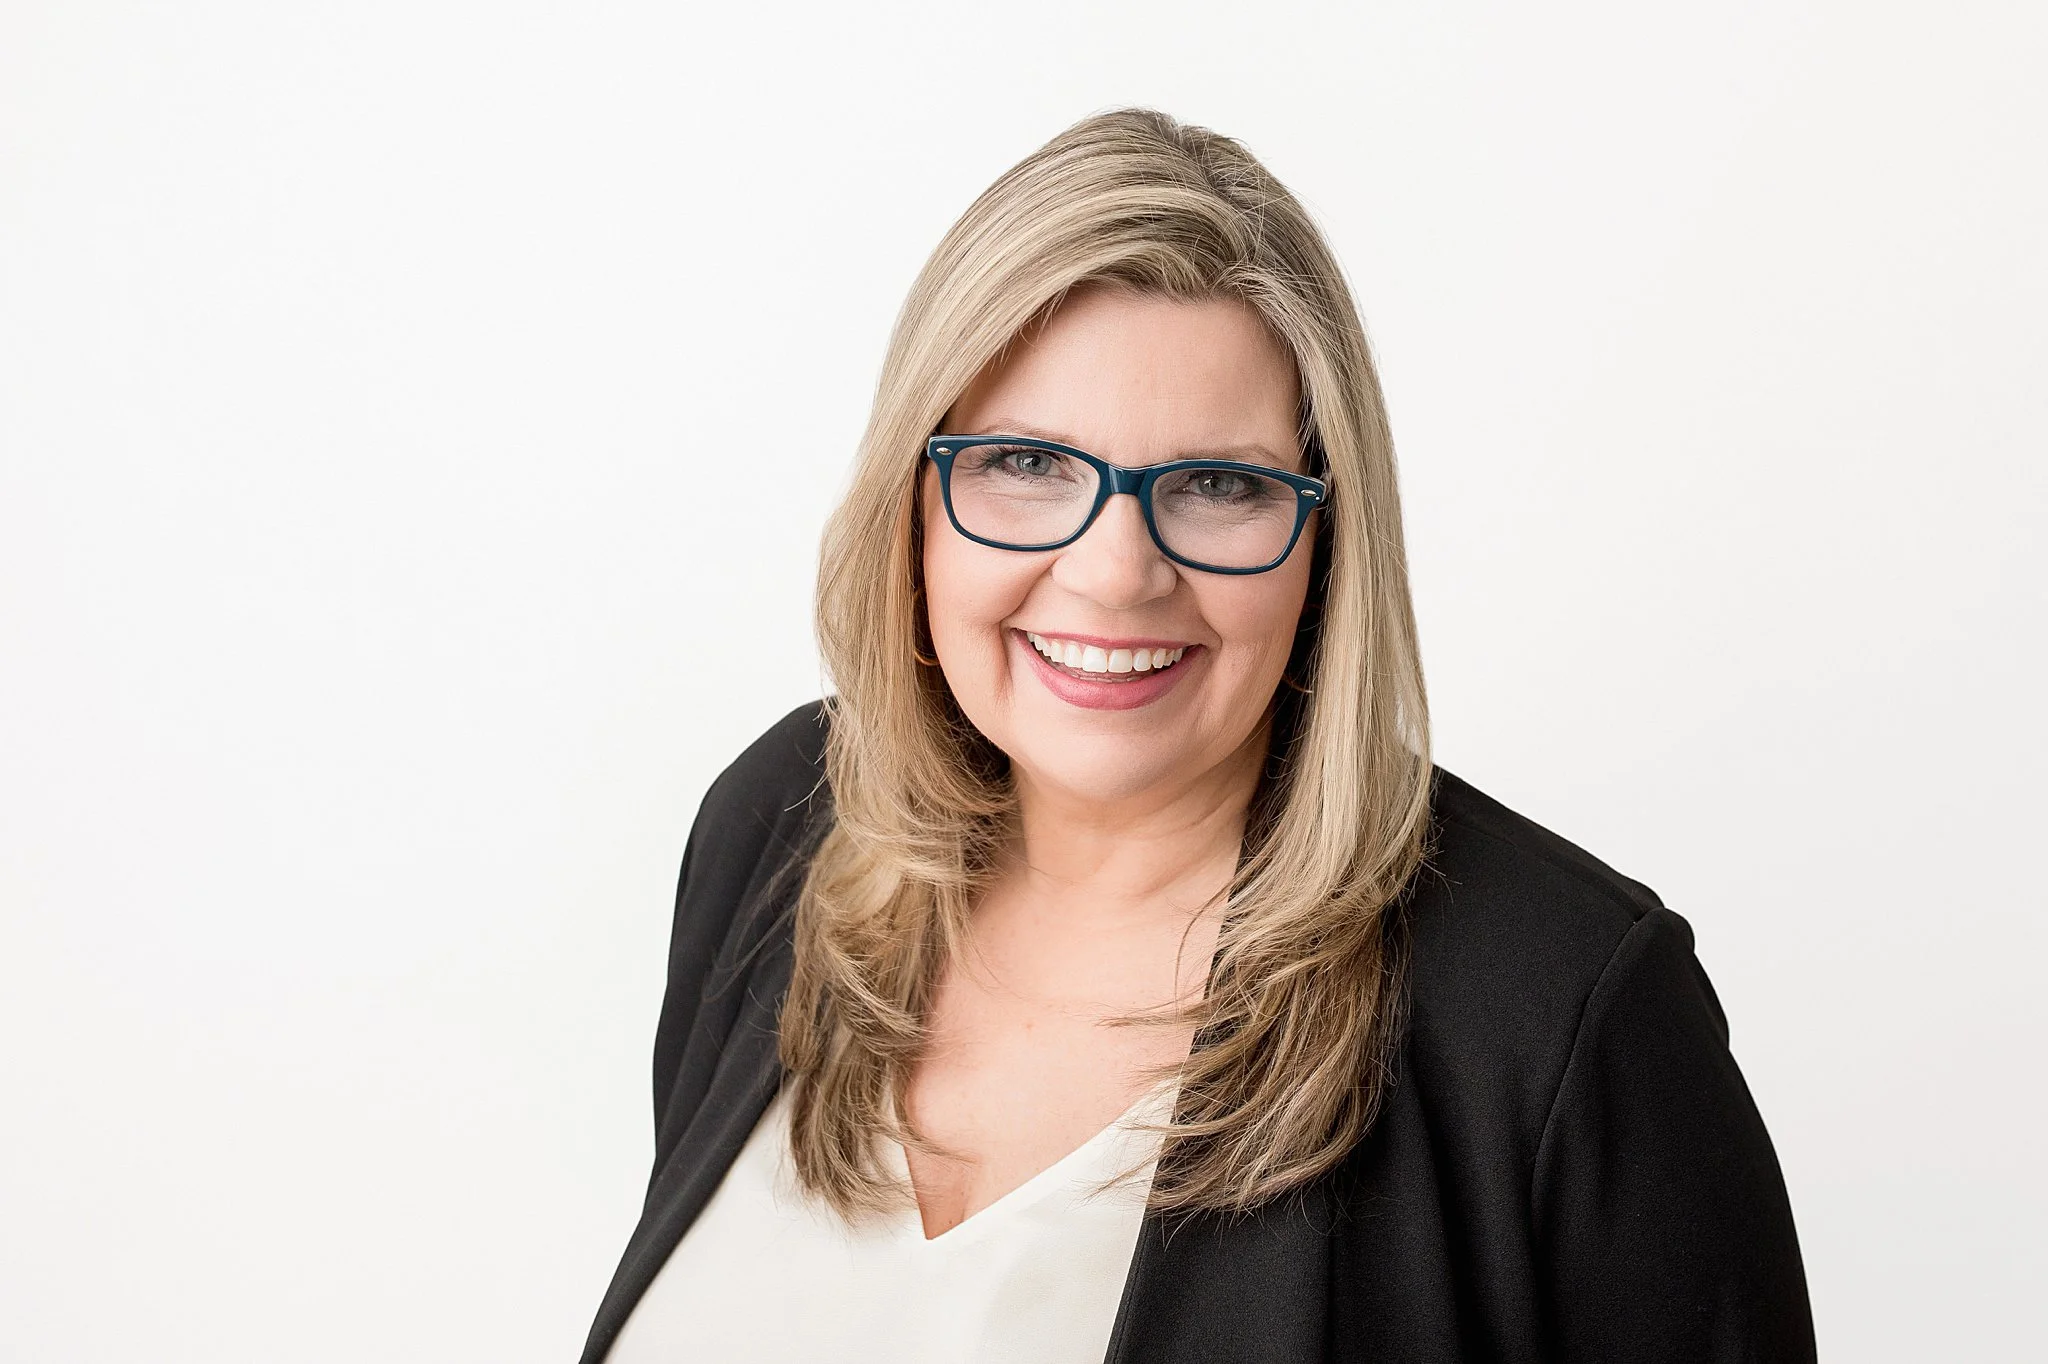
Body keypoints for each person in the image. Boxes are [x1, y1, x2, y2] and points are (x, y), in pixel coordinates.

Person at [580, 109, 1815, 1364]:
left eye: (1219, 485)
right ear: (913, 503)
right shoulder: (784, 824)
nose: (1115, 574)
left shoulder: (1563, 1011)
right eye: (1022, 462)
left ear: (1325, 544)